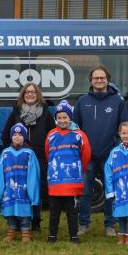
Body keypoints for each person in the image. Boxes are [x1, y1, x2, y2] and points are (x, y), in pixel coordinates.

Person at [73, 66, 128, 237]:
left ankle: (110, 225)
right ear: (91, 81)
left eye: (102, 78)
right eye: (95, 78)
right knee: (85, 192)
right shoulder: (83, 101)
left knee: (111, 191)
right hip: (87, 155)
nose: (99, 81)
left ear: (108, 79)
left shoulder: (118, 101)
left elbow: (125, 127)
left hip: (109, 154)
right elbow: (75, 129)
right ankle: (83, 224)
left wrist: (118, 148)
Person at [0, 83, 56, 232]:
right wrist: (10, 153)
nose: (30, 94)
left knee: (35, 190)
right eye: (27, 92)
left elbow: (52, 137)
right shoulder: (16, 114)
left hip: (39, 158)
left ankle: (36, 221)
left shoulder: (46, 114)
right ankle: (17, 222)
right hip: (18, 160)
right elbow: (6, 135)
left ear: (38, 95)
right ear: (22, 95)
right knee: (19, 190)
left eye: (33, 92)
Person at [45, 100, 91, 244]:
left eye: (65, 117)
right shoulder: (51, 134)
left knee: (72, 212)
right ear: (56, 119)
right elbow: (48, 154)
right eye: (59, 118)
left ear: (70, 118)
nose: (62, 120)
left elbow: (86, 154)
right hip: (55, 181)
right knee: (54, 211)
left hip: (72, 182)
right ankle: (52, 235)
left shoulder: (79, 135)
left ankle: (74, 235)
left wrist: (78, 169)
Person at [0, 123, 40, 243]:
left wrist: (33, 194)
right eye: (14, 134)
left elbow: (34, 175)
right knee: (10, 211)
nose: (17, 137)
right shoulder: (5, 153)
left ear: (24, 137)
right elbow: (0, 175)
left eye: (20, 134)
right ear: (11, 137)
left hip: (24, 190)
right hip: (9, 190)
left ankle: (25, 230)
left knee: (25, 211)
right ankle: (11, 229)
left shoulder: (29, 153)